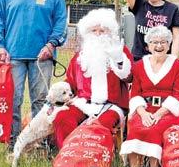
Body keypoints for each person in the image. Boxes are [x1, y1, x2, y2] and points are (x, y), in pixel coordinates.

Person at [0, 0, 67, 148]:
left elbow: (61, 20)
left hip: (42, 56)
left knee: (41, 101)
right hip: (12, 55)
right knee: (13, 100)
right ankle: (13, 143)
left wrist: (51, 44)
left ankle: (39, 143)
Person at [53, 8, 133, 148]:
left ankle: (95, 156)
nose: (98, 34)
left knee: (101, 125)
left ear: (110, 32)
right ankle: (68, 153)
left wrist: (119, 60)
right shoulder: (80, 55)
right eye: (94, 30)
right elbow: (70, 81)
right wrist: (60, 96)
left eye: (102, 31)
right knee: (62, 117)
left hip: (111, 106)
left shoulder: (119, 51)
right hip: (83, 103)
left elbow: (129, 77)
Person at [119, 25, 179, 167]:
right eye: (155, 42)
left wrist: (158, 114)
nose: (159, 46)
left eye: (163, 42)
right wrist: (142, 113)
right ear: (148, 45)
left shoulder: (176, 65)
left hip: (167, 112)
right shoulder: (139, 65)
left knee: (155, 129)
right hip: (144, 110)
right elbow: (135, 94)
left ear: (169, 45)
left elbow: (178, 95)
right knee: (136, 127)